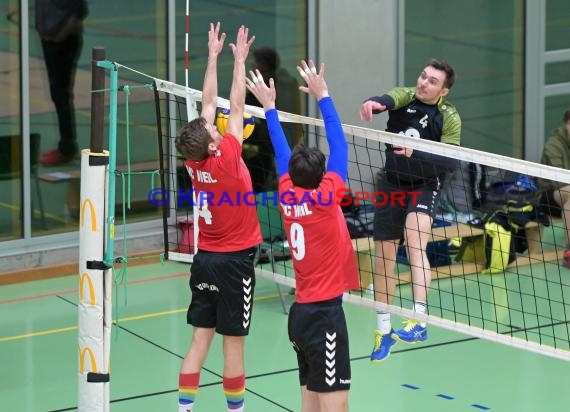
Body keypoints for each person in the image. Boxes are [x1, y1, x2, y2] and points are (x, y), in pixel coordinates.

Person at [246, 60, 359, 411]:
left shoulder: (287, 194)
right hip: (325, 317)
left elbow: (282, 152)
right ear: (323, 176)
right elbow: (340, 146)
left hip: (300, 317)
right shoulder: (326, 198)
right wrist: (323, 96)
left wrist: (269, 107)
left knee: (310, 404)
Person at [174, 23, 260, 412]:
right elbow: (236, 106)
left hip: (204, 259)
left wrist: (211, 57)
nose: (214, 120)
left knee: (198, 341)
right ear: (213, 142)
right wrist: (238, 61)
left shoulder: (194, 162)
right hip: (235, 262)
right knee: (233, 344)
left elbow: (208, 104)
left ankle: (184, 408)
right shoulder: (226, 156)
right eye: (212, 127)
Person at [359, 59, 461, 362]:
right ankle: (384, 330)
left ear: (443, 90)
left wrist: (419, 152)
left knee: (416, 244)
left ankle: (418, 320)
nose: (423, 83)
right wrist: (372, 103)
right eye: (423, 76)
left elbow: (451, 161)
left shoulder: (449, 117)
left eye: (432, 81)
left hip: (425, 185)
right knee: (384, 258)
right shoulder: (406, 95)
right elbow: (387, 99)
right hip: (392, 184)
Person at [36, 0, 88, 165]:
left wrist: (60, 35)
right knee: (57, 93)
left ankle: (66, 148)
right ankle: (66, 146)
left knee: (61, 94)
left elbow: (80, 9)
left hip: (63, 41)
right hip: (50, 39)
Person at [243, 47, 302, 192]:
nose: (252, 65)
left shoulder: (258, 90)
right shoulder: (291, 82)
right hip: (289, 139)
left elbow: (245, 114)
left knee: (267, 181)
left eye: (255, 62)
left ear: (263, 66)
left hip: (269, 142)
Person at [539, 108, 570, 267]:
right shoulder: (554, 145)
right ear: (567, 125)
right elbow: (559, 181)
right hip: (548, 195)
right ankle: (569, 252)